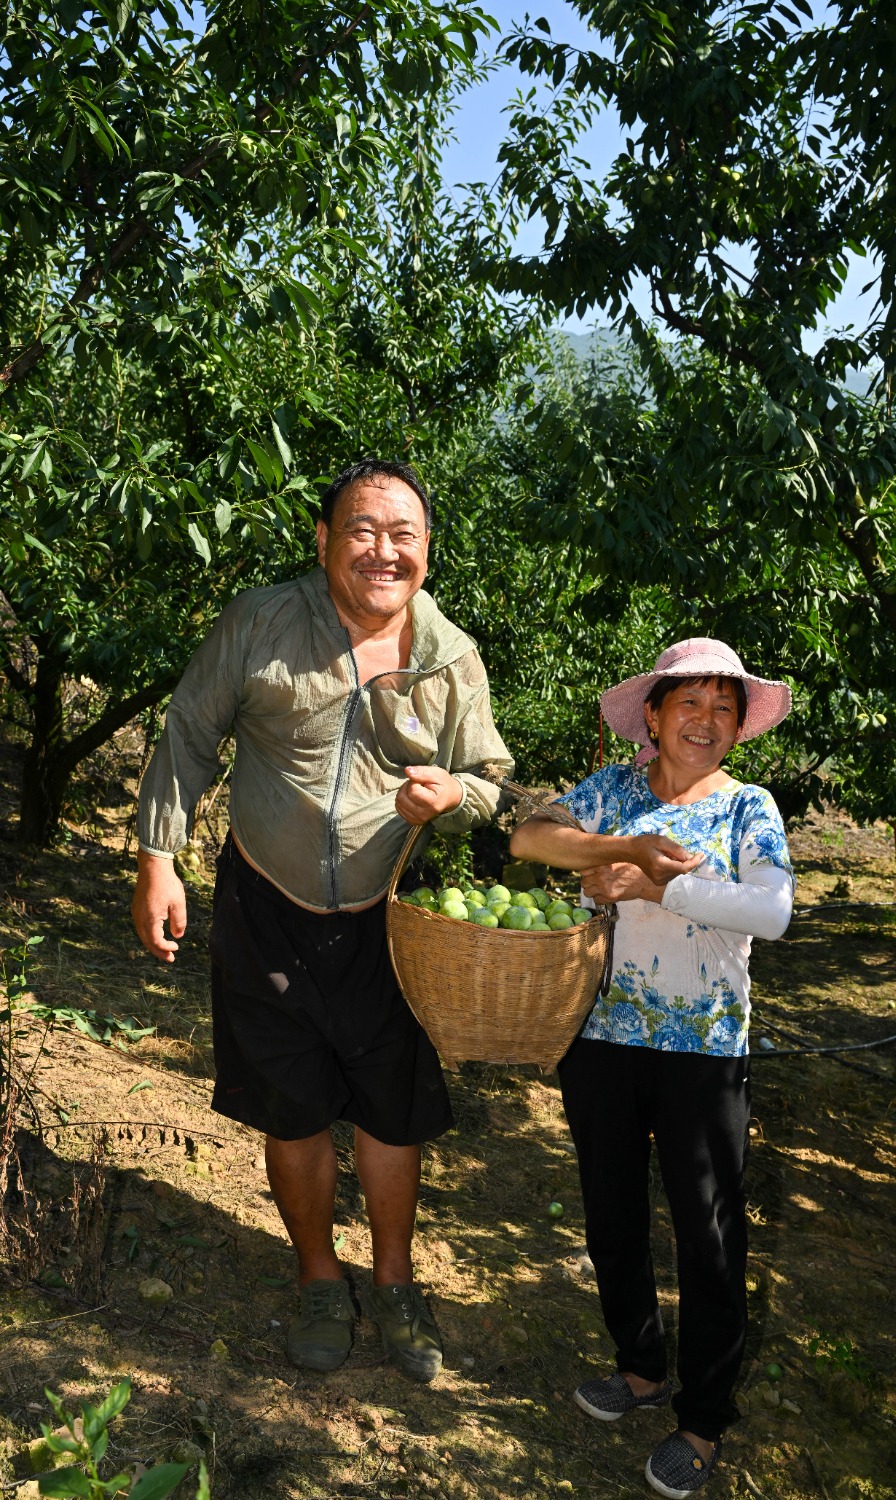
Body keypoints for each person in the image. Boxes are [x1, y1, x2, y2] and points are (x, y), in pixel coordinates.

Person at [131, 458, 512, 1381]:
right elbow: (188, 731)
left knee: (393, 1113)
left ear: (427, 552)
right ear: (325, 540)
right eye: (363, 530)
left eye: (404, 536)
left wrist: (455, 793)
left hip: (388, 924)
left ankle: (393, 1282)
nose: (384, 551)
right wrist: (158, 857)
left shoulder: (450, 657)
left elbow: (494, 784)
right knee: (293, 1110)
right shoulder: (261, 619)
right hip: (266, 906)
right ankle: (316, 1277)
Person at [509, 638, 793, 1498]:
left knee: (707, 1234)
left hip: (704, 1051)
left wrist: (651, 888)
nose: (705, 723)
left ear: (737, 727)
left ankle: (703, 1419)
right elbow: (530, 837)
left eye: (722, 709)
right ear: (657, 716)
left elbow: (771, 911)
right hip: (600, 1035)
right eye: (689, 705)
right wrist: (609, 851)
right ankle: (639, 1366)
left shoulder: (750, 807)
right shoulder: (618, 793)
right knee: (611, 1212)